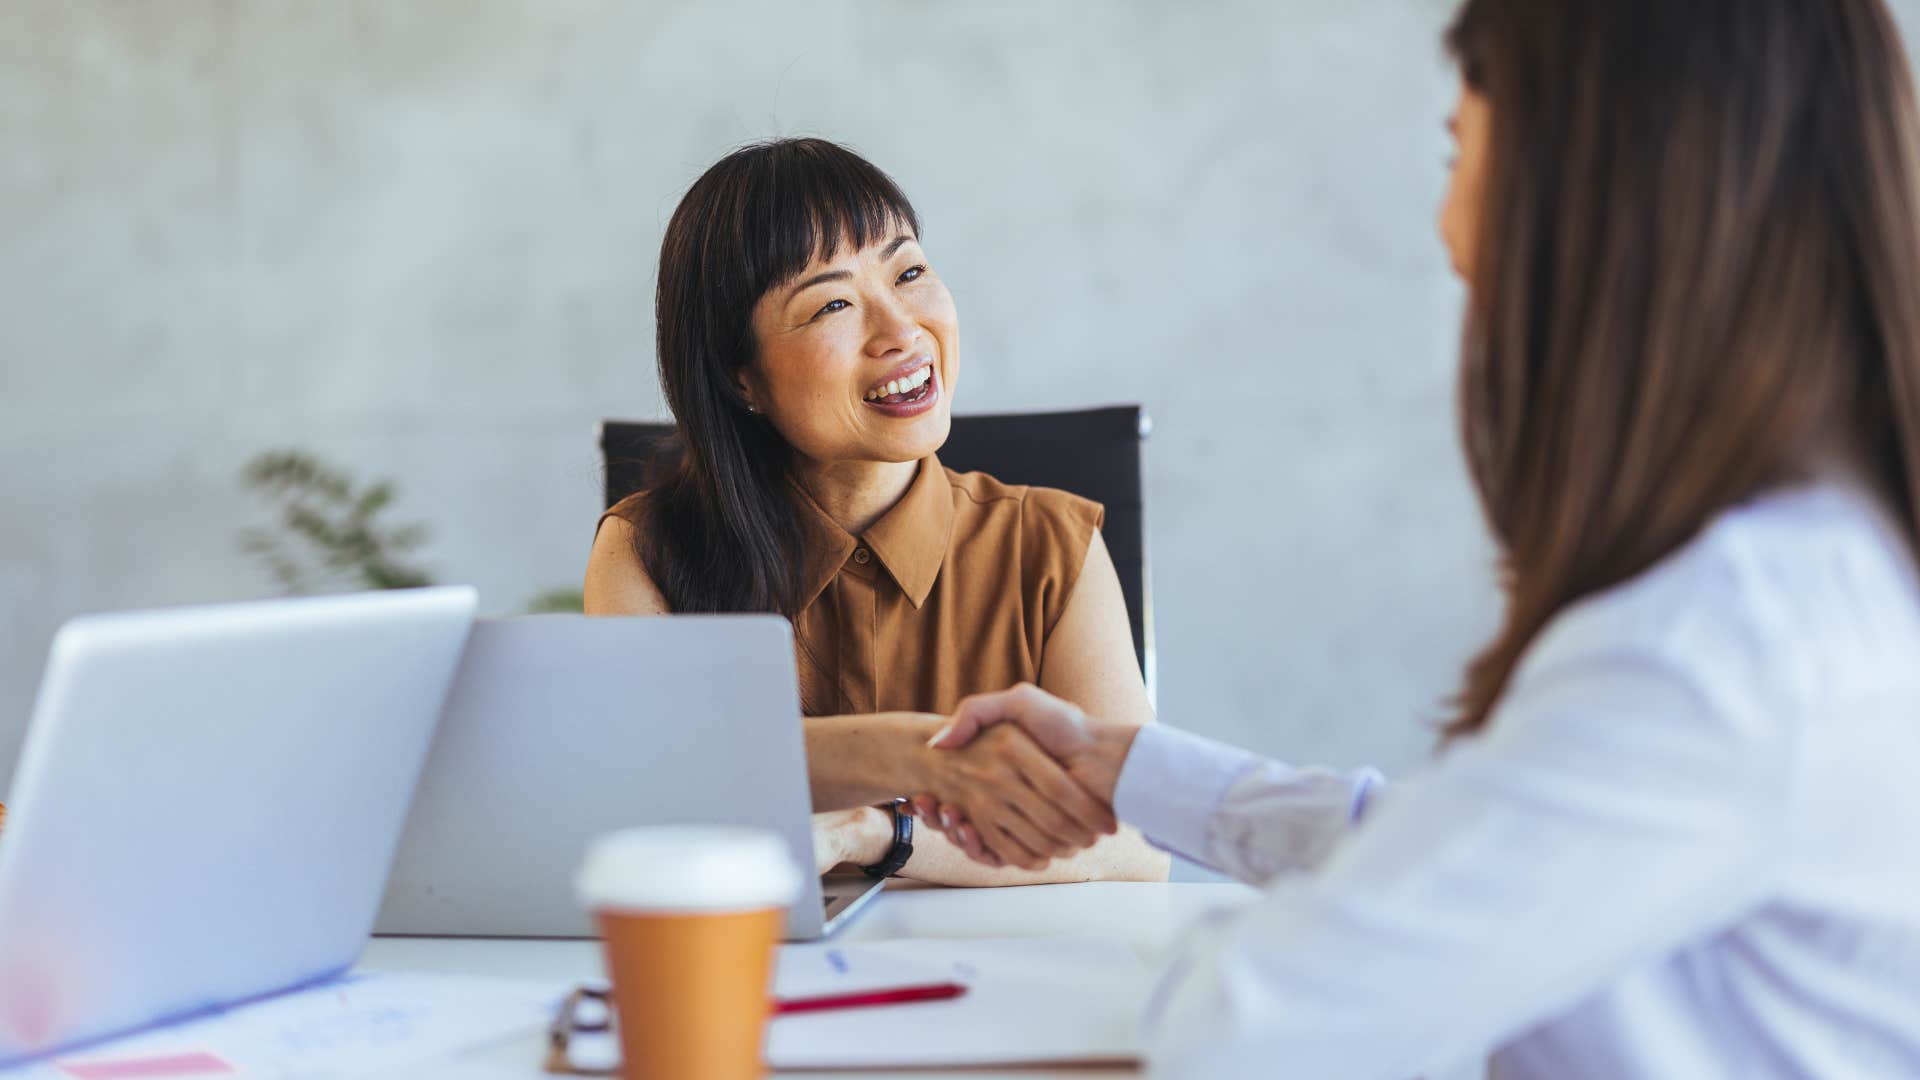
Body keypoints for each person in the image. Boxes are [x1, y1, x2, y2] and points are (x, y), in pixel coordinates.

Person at [915, 0, 1920, 1074]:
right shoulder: (1812, 571)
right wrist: (1137, 773)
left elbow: (1253, 1027)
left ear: (1586, 197)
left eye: (1459, 152)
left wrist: (1222, 945)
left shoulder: (1710, 648)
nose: (1447, 233)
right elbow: (1479, 850)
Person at [584, 138, 1167, 886]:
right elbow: (656, 778)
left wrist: (880, 829)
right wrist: (919, 756)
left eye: (910, 272)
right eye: (832, 303)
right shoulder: (645, 549)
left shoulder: (1052, 546)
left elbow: (1139, 838)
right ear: (741, 379)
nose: (901, 332)